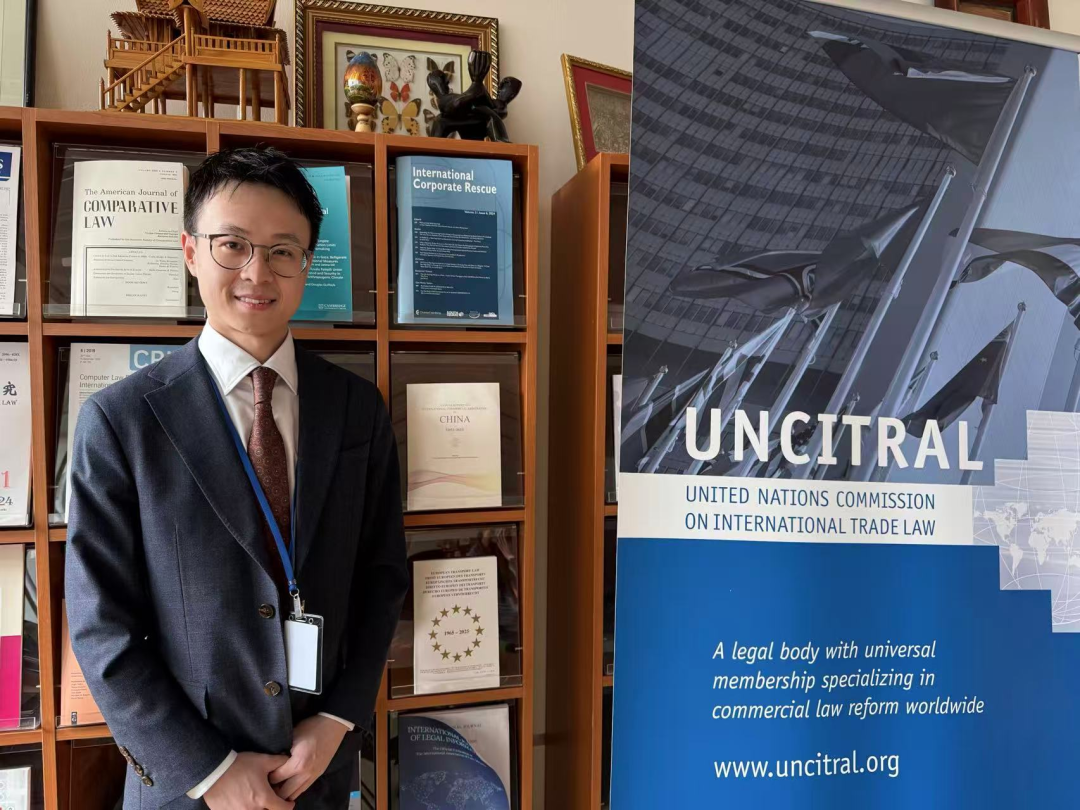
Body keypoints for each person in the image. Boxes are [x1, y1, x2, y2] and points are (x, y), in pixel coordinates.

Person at [65, 146, 409, 810]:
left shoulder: (356, 409)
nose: (258, 272)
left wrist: (339, 717)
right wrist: (210, 770)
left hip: (317, 771)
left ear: (307, 263)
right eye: (233, 246)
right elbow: (100, 625)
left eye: (283, 251)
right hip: (189, 787)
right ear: (191, 252)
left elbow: (382, 575)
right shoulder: (120, 420)